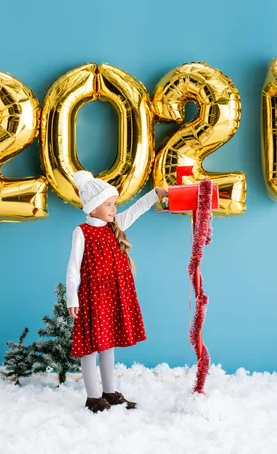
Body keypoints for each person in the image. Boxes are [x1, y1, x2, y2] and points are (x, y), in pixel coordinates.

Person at [66, 170, 167, 413]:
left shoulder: (116, 225)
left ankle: (109, 392)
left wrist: (156, 194)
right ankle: (93, 397)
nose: (114, 209)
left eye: (114, 204)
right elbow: (73, 266)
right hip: (92, 297)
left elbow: (137, 209)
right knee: (91, 347)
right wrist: (72, 297)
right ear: (92, 208)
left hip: (113, 296)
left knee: (107, 345)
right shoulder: (82, 231)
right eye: (109, 205)